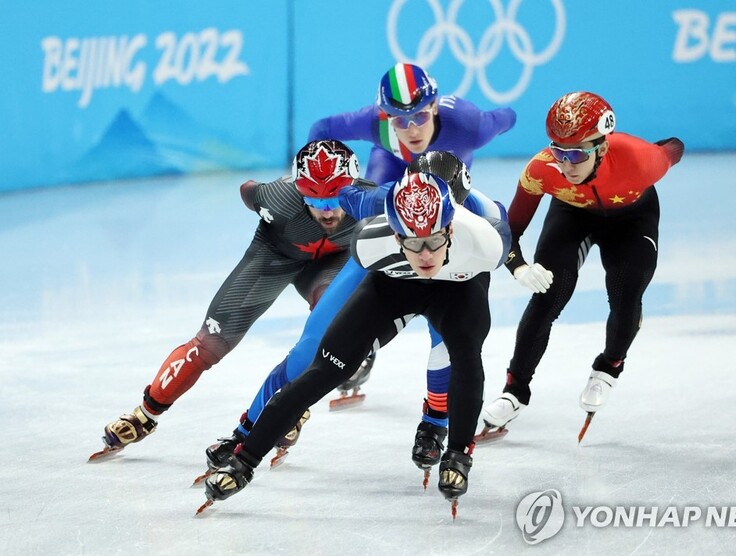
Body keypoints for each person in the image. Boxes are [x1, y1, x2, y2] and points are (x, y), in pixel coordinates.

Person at [203, 62, 516, 469]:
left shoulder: (469, 124)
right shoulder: (376, 140)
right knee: (309, 348)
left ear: (437, 106)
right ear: (385, 116)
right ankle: (246, 433)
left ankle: (434, 422)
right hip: (384, 242)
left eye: (420, 115)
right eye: (399, 120)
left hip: (439, 245)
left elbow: (506, 118)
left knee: (450, 341)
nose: (411, 128)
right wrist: (314, 184)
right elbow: (320, 135)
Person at [198, 171, 512, 515]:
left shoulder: (485, 243)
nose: (424, 255)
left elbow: (504, 227)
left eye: (434, 240)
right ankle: (245, 460)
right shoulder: (369, 242)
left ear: (451, 230)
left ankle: (457, 453)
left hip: (459, 289)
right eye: (411, 241)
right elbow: (352, 196)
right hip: (393, 287)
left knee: (466, 357)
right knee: (324, 369)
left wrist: (522, 265)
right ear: (395, 234)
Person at [90, 140, 370, 459]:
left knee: (329, 329)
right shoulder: (274, 198)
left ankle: (293, 404)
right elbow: (246, 189)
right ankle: (145, 414)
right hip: (272, 258)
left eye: (334, 197)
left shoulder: (371, 203)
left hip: (331, 265)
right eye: (312, 198)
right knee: (208, 344)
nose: (326, 210)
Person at [479, 91, 685, 441]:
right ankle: (514, 391)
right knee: (547, 298)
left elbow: (673, 147)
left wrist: (663, 149)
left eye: (575, 153)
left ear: (601, 148)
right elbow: (508, 232)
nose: (566, 163)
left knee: (625, 292)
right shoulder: (541, 170)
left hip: (632, 219)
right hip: (571, 214)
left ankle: (608, 367)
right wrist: (518, 267)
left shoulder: (641, 160)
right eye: (558, 151)